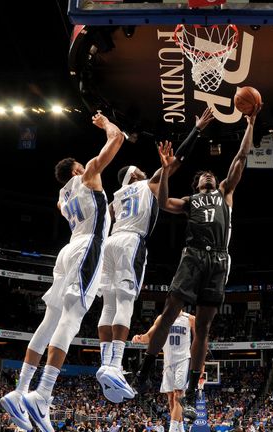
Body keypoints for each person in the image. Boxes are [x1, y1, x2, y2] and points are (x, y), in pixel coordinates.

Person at [132, 102, 260, 420]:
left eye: (210, 175)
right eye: (203, 176)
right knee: (170, 312)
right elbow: (161, 202)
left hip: (218, 261)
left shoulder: (226, 192)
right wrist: (164, 170)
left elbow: (241, 157)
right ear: (196, 183)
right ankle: (144, 371)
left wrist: (251, 124)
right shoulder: (190, 201)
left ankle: (189, 392)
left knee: (202, 327)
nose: (208, 177)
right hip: (192, 257)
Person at [0, 113, 125, 432]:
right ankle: (41, 395)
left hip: (67, 251)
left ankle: (19, 390)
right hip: (87, 250)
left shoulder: (61, 198)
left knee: (50, 319)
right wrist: (106, 124)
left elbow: (95, 211)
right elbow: (118, 138)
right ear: (77, 169)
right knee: (72, 317)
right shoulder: (88, 174)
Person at [96, 107, 214, 402]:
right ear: (135, 176)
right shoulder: (147, 185)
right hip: (130, 243)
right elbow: (178, 161)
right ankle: (116, 365)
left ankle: (106, 363)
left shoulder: (117, 197)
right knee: (124, 302)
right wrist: (196, 130)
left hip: (108, 243)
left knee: (108, 304)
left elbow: (102, 222)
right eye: (140, 171)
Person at [132, 311, 196, 432]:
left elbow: (199, 340)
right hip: (168, 362)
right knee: (171, 398)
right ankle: (181, 429)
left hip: (183, 359)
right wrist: (139, 338)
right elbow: (149, 337)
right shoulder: (161, 318)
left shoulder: (190, 319)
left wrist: (199, 362)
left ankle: (172, 429)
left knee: (179, 394)